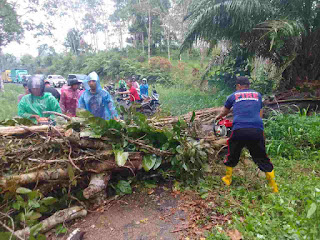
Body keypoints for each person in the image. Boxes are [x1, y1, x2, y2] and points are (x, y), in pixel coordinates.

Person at [215, 76, 278, 193]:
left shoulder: (233, 96)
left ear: (238, 86)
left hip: (239, 129)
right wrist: (260, 130)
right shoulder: (258, 95)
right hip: (256, 129)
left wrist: (218, 117)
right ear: (248, 85)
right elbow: (260, 114)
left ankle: (227, 179)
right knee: (262, 157)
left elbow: (225, 111)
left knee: (232, 153)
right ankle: (273, 187)